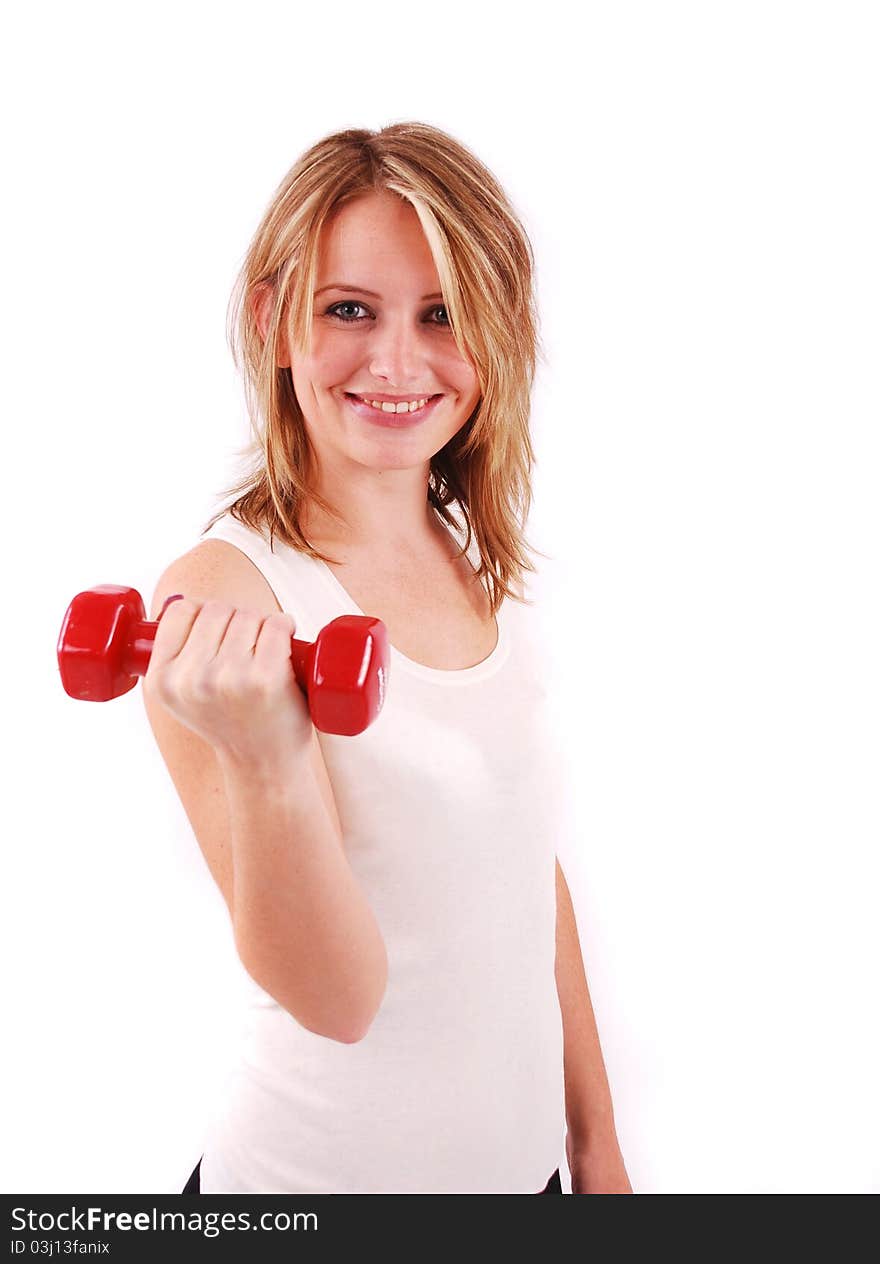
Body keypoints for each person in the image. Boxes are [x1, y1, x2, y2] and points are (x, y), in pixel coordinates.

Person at [143, 121, 630, 1195]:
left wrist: (594, 1150)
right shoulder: (220, 600)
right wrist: (269, 757)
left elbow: (518, 870)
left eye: (443, 313)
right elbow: (337, 998)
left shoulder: (465, 553)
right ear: (275, 321)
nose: (397, 361)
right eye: (348, 309)